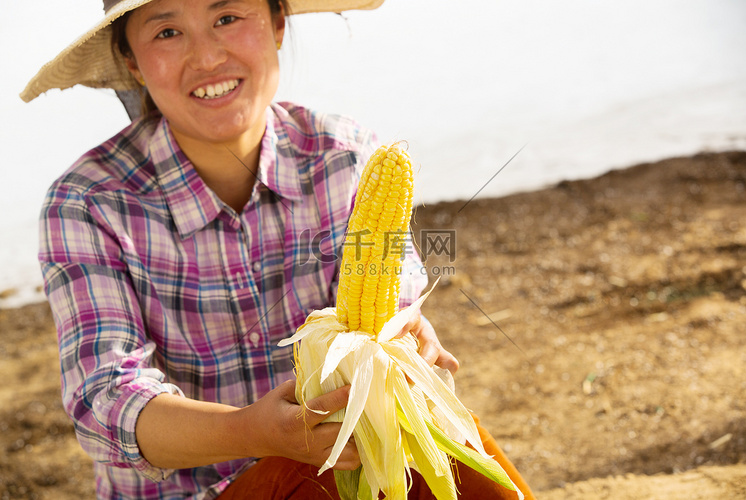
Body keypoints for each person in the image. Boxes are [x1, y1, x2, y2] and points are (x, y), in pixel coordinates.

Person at [21, 0, 536, 498]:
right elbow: (105, 404)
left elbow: (395, 300)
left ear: (277, 25)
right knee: (298, 475)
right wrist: (255, 432)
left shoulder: (346, 157)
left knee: (464, 454)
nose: (206, 57)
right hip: (197, 493)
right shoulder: (87, 204)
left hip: (352, 459)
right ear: (131, 61)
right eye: (167, 31)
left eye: (227, 17)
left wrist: (404, 342)